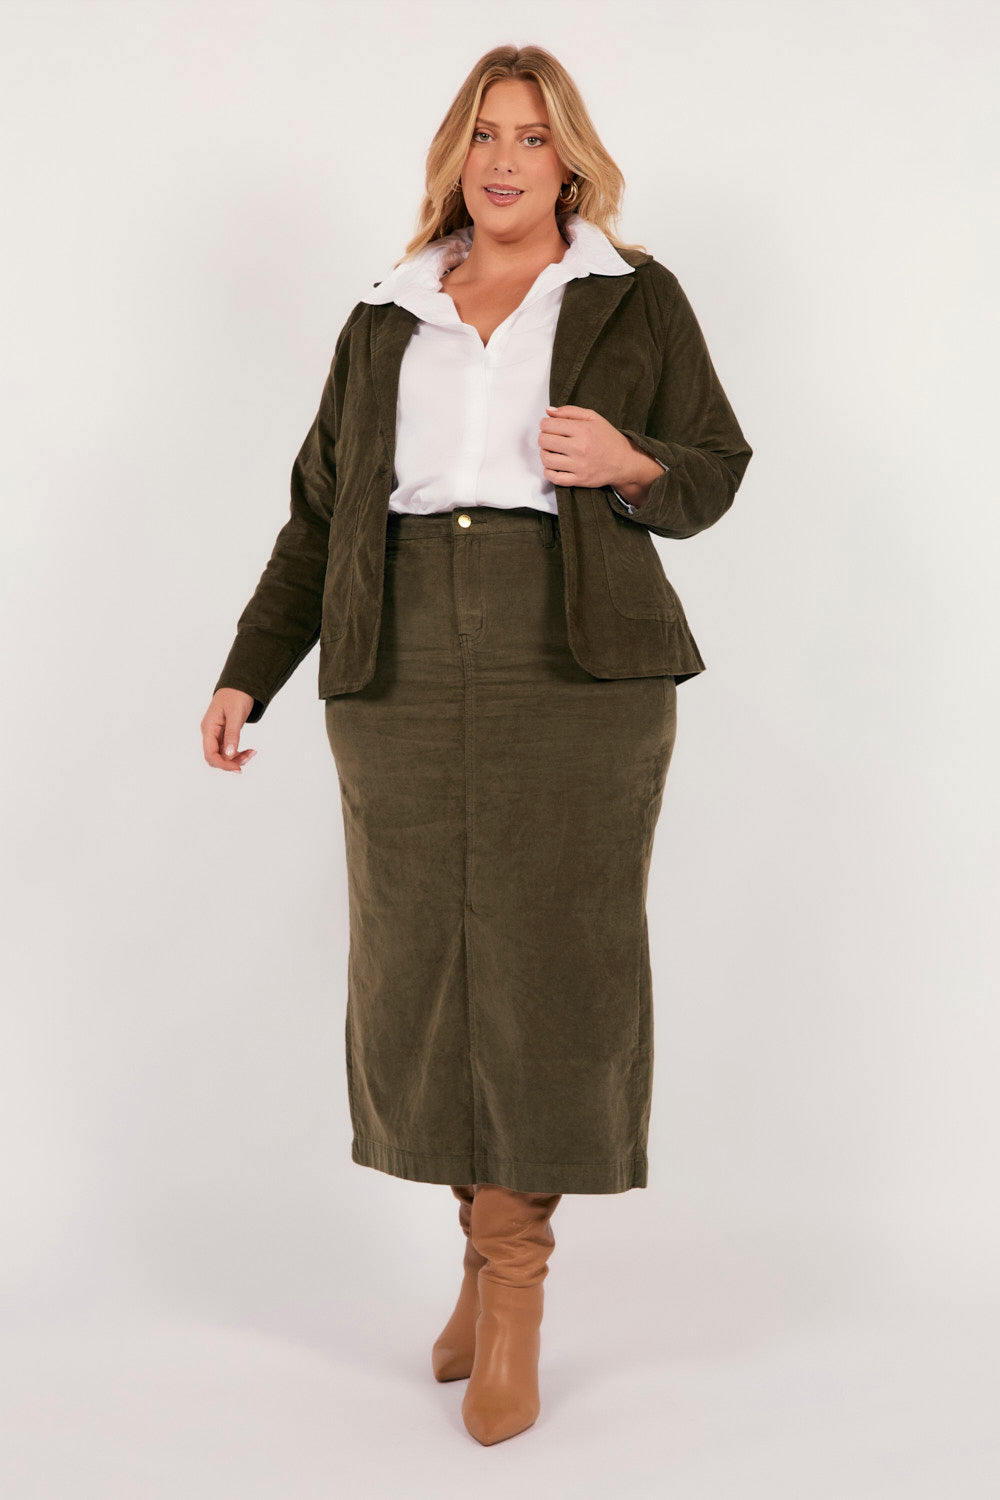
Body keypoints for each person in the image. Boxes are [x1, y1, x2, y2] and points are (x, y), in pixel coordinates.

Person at [201, 44, 753, 1446]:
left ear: (571, 160)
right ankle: (477, 1254)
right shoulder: (385, 316)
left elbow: (715, 468)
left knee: (548, 959)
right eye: (485, 135)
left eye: (533, 137)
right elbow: (320, 514)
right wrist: (250, 673)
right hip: (396, 663)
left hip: (574, 659)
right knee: (425, 965)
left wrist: (629, 464)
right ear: (457, 155)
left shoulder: (633, 297)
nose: (506, 160)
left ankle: (515, 1287)